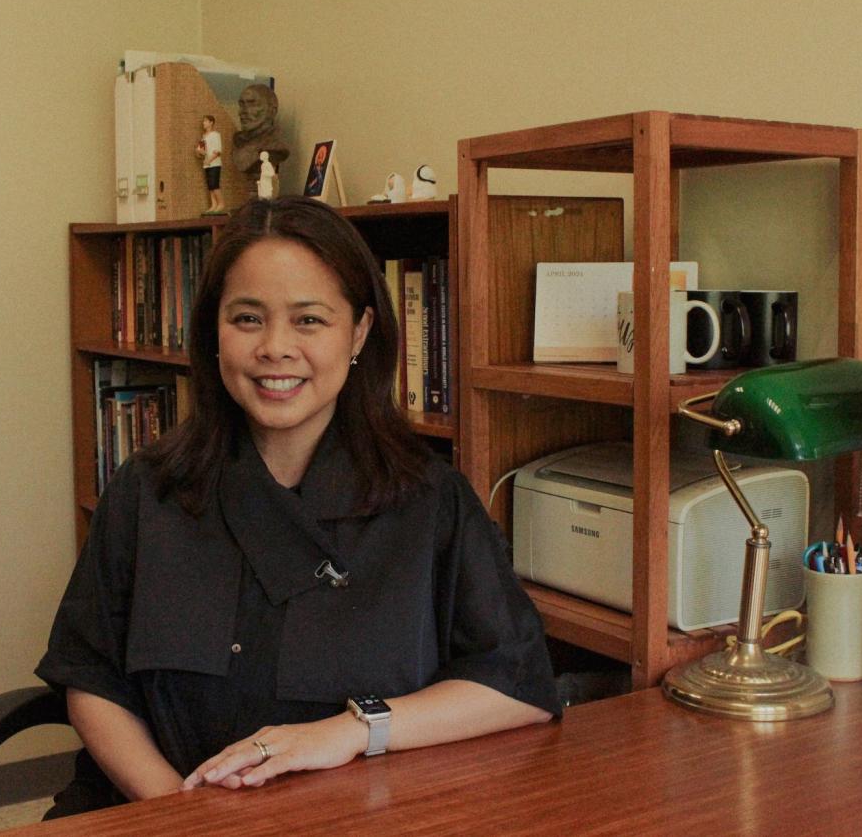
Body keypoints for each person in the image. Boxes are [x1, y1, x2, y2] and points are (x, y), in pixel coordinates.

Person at [35, 197, 560, 818]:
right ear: (214, 330)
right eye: (248, 319)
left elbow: (518, 685)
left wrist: (349, 730)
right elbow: (91, 681)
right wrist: (178, 812)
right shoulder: (148, 490)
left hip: (357, 819)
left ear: (359, 331)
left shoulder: (428, 500)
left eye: (309, 320)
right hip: (155, 815)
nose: (275, 348)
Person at [231, 84, 290, 193]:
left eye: (252, 104)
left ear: (272, 110)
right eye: (242, 105)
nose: (242, 112)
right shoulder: (238, 141)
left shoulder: (275, 145)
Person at [195, 115, 225, 214]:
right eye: (203, 121)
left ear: (211, 122)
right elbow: (201, 151)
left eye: (205, 121)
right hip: (206, 164)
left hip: (214, 163)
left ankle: (221, 203)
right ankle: (214, 204)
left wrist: (210, 160)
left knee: (214, 184)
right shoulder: (203, 136)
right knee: (210, 186)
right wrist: (199, 151)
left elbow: (218, 151)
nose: (203, 123)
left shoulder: (216, 135)